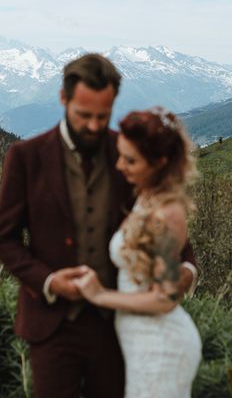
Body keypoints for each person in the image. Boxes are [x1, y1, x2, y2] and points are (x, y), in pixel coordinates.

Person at [0, 54, 198, 398]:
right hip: (52, 325)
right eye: (83, 115)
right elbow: (4, 238)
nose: (92, 125)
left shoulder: (129, 153)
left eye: (102, 116)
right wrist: (50, 280)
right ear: (64, 99)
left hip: (116, 326)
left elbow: (164, 218)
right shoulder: (25, 156)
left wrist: (187, 270)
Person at [74, 107, 202, 398]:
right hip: (138, 340)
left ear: (159, 162)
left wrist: (99, 295)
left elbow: (165, 298)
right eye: (120, 155)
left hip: (161, 346)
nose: (120, 166)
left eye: (130, 160)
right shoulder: (145, 196)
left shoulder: (168, 213)